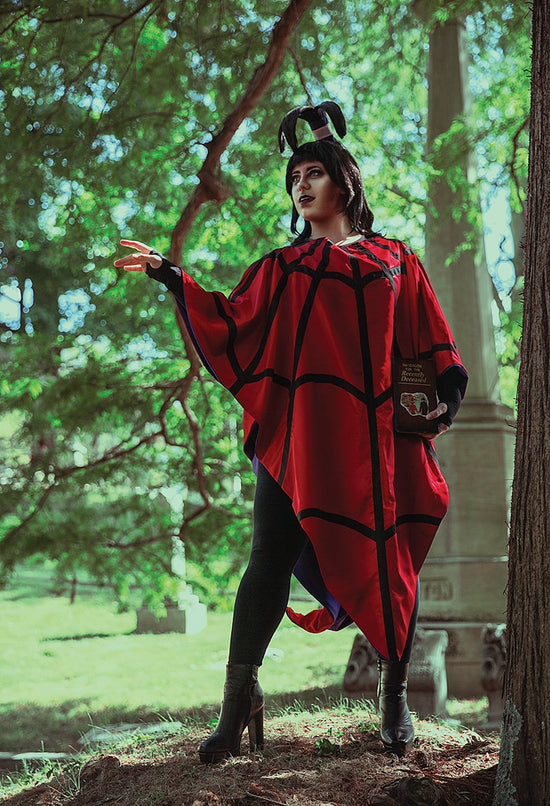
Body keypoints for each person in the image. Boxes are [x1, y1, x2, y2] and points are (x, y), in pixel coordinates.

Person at [114, 101, 468, 762]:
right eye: (294, 178)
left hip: (374, 442)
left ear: (345, 183)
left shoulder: (396, 260)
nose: (301, 186)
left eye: (313, 173)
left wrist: (434, 408)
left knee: (394, 560)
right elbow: (229, 321)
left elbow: (423, 344)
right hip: (298, 441)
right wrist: (171, 275)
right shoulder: (281, 269)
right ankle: (237, 705)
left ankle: (394, 703)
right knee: (266, 561)